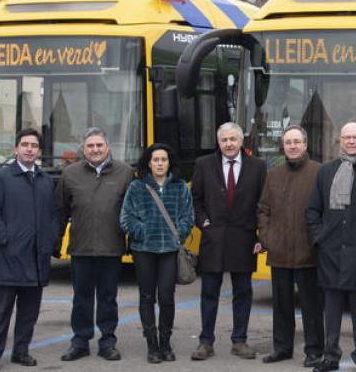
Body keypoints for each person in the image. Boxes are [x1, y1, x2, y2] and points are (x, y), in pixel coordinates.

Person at [0, 128, 58, 372]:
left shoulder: (46, 181)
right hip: (8, 257)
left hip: (36, 259)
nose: (29, 149)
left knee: (29, 313)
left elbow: (53, 215)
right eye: (24, 144)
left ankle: (21, 351)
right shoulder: (1, 177)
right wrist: (4, 238)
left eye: (33, 145)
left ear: (39, 151)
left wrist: (50, 238)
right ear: (16, 149)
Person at [306, 122, 356, 372]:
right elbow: (313, 210)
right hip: (331, 252)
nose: (351, 142)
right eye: (347, 137)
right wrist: (320, 238)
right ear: (339, 140)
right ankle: (331, 356)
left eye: (355, 137)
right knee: (332, 310)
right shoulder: (327, 171)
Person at [55, 127, 133, 362]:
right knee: (81, 298)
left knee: (108, 298)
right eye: (90, 146)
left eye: (99, 145)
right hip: (81, 248)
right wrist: (55, 242)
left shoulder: (125, 172)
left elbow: (133, 210)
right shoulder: (69, 174)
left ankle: (108, 341)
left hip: (111, 248)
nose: (95, 149)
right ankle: (80, 341)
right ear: (83, 149)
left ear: (107, 146)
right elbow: (60, 211)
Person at [189, 122, 267, 360]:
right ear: (218, 141)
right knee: (209, 292)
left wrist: (260, 235)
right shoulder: (204, 164)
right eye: (224, 140)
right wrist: (203, 222)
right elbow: (195, 199)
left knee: (242, 292)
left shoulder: (258, 166)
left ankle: (239, 341)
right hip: (213, 238)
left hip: (244, 238)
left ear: (241, 141)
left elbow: (263, 203)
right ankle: (206, 342)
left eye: (233, 139)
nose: (229, 144)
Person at [119, 143, 194, 363]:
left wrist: (177, 234)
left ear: (169, 163)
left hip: (170, 251)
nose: (160, 164)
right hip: (143, 250)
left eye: (164, 159)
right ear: (148, 163)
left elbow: (188, 217)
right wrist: (143, 232)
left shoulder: (180, 187)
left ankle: (166, 342)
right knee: (147, 296)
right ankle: (152, 345)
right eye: (156, 160)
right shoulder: (137, 187)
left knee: (167, 297)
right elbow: (125, 218)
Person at [257, 126, 325, 366]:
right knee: (282, 305)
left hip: (310, 253)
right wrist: (267, 238)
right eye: (288, 142)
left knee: (312, 307)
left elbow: (326, 211)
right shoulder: (273, 174)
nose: (293, 146)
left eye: (297, 141)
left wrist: (319, 241)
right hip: (279, 252)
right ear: (283, 146)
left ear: (305, 145)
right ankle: (283, 348)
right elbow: (263, 209)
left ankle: (314, 350)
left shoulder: (319, 172)